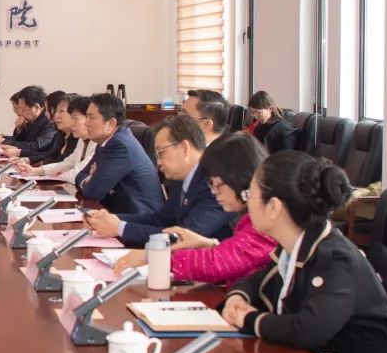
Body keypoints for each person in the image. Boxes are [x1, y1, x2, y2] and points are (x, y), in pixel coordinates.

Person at [219, 151, 387, 353]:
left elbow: (308, 329)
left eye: (249, 195)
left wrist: (248, 319)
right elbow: (259, 280)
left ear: (274, 207)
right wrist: (238, 296)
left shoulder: (336, 260)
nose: (247, 204)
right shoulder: (296, 245)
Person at [113, 132, 276, 284]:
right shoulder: (251, 217)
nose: (214, 192)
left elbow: (218, 263)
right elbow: (240, 256)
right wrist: (209, 245)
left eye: (217, 185)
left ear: (238, 178)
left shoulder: (265, 223)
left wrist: (154, 256)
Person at [85, 115, 235, 246]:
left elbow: (185, 237)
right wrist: (110, 219)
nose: (158, 163)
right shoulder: (182, 178)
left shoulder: (216, 182)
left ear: (184, 148)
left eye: (161, 153)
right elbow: (159, 219)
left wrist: (119, 228)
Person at [74, 93, 164, 214]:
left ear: (111, 123)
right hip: (117, 210)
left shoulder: (119, 146)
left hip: (139, 217)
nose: (86, 123)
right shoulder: (105, 142)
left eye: (91, 117)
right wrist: (91, 178)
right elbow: (79, 176)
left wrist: (93, 178)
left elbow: (92, 191)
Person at [14, 95, 94, 181]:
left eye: (75, 118)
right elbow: (66, 163)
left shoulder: (97, 144)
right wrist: (35, 171)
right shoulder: (81, 140)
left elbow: (79, 172)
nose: (56, 115)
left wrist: (54, 176)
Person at [4, 92, 78, 165]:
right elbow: (50, 154)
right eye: (56, 111)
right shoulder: (60, 134)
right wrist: (27, 159)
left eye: (61, 111)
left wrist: (19, 152)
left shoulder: (49, 124)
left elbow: (40, 147)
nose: (56, 115)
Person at [0, 85, 57, 152]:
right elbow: (22, 141)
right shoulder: (31, 120)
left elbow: (37, 146)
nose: (20, 112)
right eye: (19, 108)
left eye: (23, 109)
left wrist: (4, 141)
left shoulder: (50, 121)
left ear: (36, 107)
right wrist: (19, 129)